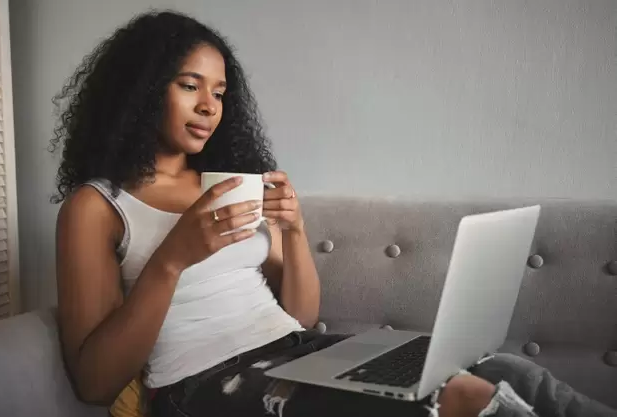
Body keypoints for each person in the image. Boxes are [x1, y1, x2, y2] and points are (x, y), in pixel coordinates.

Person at [50, 10, 616, 417]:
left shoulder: (226, 186)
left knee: (508, 371)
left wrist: (293, 233)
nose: (208, 107)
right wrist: (170, 262)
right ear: (143, 91)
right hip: (202, 385)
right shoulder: (97, 207)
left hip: (299, 354)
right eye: (189, 85)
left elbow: (297, 316)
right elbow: (96, 383)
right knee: (460, 399)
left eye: (220, 92)